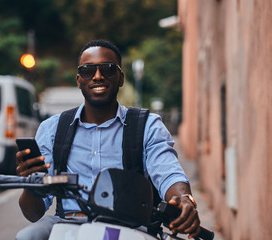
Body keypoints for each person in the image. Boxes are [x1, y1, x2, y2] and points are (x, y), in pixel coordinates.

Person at [15, 39, 201, 240]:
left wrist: (183, 199)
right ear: (79, 80)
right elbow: (33, 213)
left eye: (108, 69)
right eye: (88, 70)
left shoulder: (147, 126)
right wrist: (31, 185)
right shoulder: (52, 129)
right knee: (27, 236)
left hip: (130, 227)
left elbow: (168, 173)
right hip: (66, 224)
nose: (97, 76)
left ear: (120, 78)